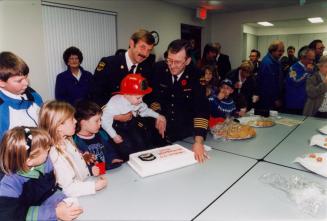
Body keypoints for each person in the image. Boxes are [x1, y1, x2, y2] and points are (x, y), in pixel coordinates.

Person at [0, 127, 83, 221]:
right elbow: (11, 215)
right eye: (46, 149)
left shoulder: (45, 163)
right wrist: (54, 212)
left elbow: (50, 190)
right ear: (29, 160)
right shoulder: (7, 184)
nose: (49, 149)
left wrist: (60, 201)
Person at [151, 39, 210, 163]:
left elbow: (201, 109)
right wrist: (157, 114)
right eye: (169, 60)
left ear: (187, 61)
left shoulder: (196, 75)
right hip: (160, 129)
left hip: (185, 132)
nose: (172, 65)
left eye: (177, 62)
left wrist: (199, 141)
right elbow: (152, 97)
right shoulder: (158, 69)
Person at [39, 100, 107, 197]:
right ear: (59, 126)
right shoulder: (55, 155)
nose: (75, 121)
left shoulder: (67, 141)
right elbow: (67, 189)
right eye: (71, 119)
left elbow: (75, 171)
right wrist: (94, 186)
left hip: (83, 190)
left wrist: (90, 171)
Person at [101, 74, 166, 161]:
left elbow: (145, 110)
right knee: (127, 150)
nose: (141, 100)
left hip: (131, 125)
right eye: (138, 98)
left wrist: (158, 116)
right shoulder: (114, 103)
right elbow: (104, 121)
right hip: (117, 129)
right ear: (126, 94)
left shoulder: (138, 102)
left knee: (141, 144)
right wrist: (114, 135)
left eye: (142, 97)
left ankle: (145, 161)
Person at [89, 29, 155, 107]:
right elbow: (95, 95)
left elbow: (147, 97)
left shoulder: (147, 69)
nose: (145, 54)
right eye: (142, 47)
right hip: (111, 116)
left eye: (149, 50)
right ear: (131, 43)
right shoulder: (109, 63)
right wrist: (114, 114)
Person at [0, 51, 43, 140]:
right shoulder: (2, 109)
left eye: (26, 77)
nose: (26, 83)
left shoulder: (33, 95)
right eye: (19, 81)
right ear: (1, 83)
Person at [73, 100, 123, 169]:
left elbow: (110, 150)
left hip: (107, 173)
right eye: (96, 121)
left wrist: (113, 159)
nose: (100, 123)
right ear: (83, 123)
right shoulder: (74, 142)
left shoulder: (102, 135)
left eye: (100, 120)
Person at [285, 46, 315, 115]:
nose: (312, 62)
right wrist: (307, 73)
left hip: (305, 103)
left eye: (313, 60)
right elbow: (295, 82)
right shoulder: (293, 68)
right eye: (310, 59)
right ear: (302, 57)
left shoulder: (309, 67)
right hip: (295, 104)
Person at [257, 40, 285, 110]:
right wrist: (275, 99)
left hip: (273, 99)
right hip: (269, 101)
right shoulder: (267, 63)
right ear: (272, 51)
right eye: (280, 51)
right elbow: (267, 85)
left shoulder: (276, 61)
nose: (282, 53)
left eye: (283, 51)